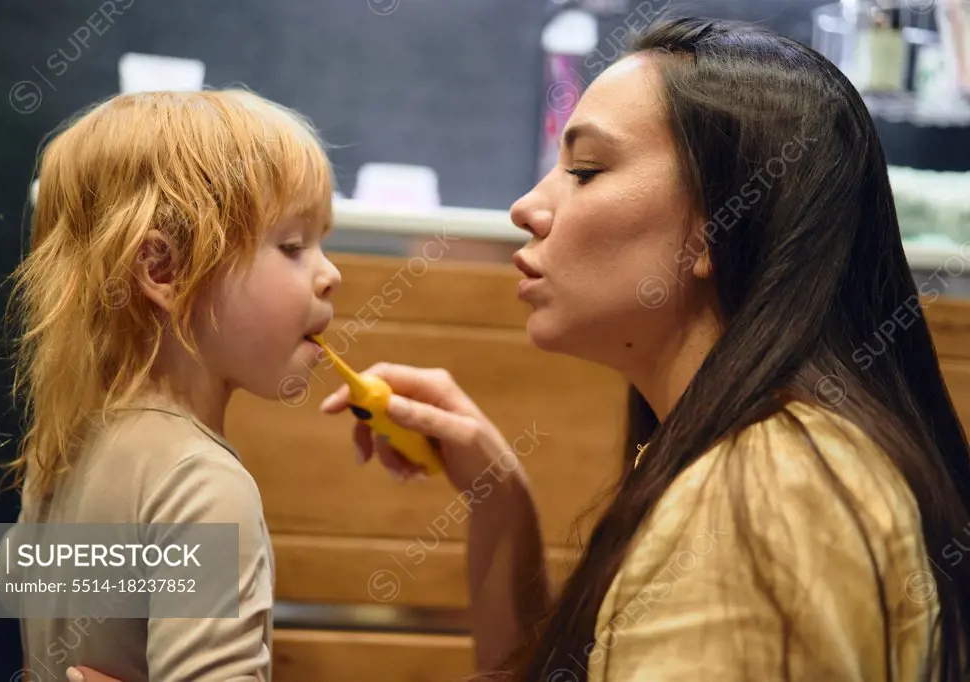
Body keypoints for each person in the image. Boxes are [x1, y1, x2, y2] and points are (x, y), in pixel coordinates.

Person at [72, 16, 970, 682]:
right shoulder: (169, 476)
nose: (526, 206)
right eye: (291, 245)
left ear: (714, 229)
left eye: (584, 170)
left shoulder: (766, 496)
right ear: (162, 269)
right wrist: (498, 492)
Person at [3, 88, 340, 682]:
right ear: (163, 270)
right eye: (292, 246)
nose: (329, 274)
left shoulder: (58, 449)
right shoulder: (202, 484)